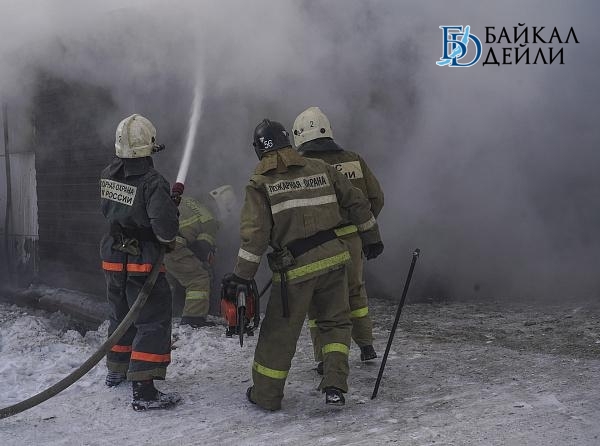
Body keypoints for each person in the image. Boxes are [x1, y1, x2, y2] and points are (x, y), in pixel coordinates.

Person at [223, 119, 383, 410]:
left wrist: (241, 276)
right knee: (335, 324)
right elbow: (357, 201)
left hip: (295, 271)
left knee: (279, 334)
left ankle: (266, 396)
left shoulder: (260, 183)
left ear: (259, 149)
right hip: (335, 260)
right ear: (288, 141)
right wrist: (371, 237)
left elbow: (255, 236)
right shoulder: (321, 168)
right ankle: (335, 385)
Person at [292, 106, 384, 374]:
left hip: (316, 244)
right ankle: (366, 345)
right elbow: (376, 198)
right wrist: (362, 228)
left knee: (318, 299)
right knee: (355, 291)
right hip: (352, 239)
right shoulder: (353, 160)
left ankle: (324, 357)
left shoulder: (301, 167)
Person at [100, 113, 181, 411]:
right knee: (152, 319)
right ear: (149, 146)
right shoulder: (153, 182)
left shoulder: (107, 174)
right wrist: (171, 207)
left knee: (120, 313)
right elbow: (165, 230)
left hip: (113, 255)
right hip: (141, 260)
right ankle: (144, 389)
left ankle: (116, 369)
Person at [165, 194, 219, 328]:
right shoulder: (209, 220)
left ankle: (167, 311)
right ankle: (193, 318)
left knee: (166, 279)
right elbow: (202, 248)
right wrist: (204, 264)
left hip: (154, 244)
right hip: (173, 247)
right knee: (199, 278)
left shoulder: (186, 200)